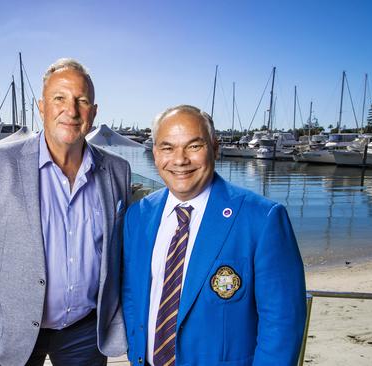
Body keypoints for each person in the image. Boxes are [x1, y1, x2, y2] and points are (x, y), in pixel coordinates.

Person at [0, 58, 130, 366]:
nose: (71, 111)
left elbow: (121, 250)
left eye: (82, 100)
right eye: (59, 98)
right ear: (41, 106)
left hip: (86, 332)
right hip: (10, 330)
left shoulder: (117, 170)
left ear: (94, 112)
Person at [122, 105, 306, 365]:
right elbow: (132, 292)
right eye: (167, 147)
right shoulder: (138, 216)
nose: (179, 160)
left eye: (193, 146)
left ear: (215, 148)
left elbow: (283, 322)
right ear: (155, 153)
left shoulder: (262, 220)